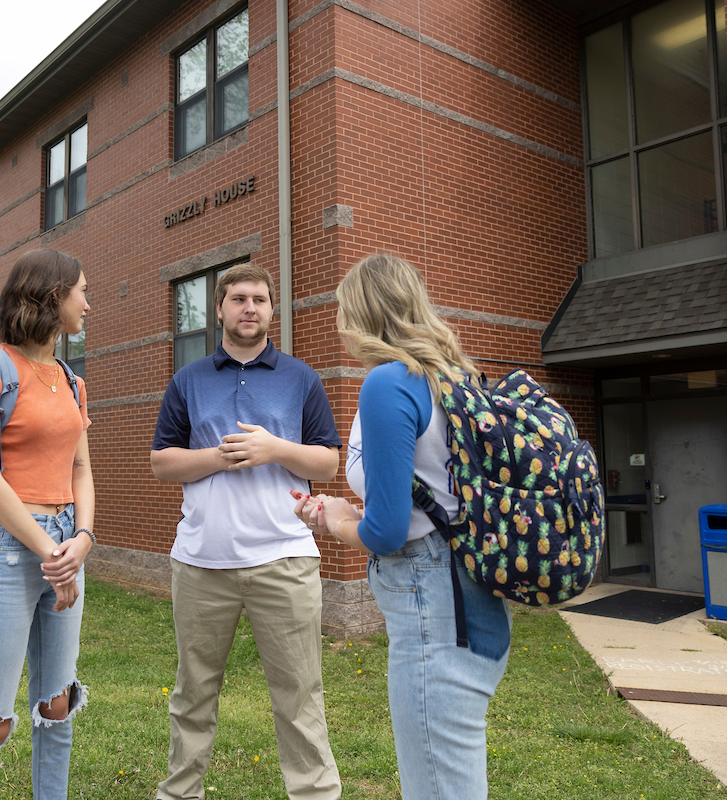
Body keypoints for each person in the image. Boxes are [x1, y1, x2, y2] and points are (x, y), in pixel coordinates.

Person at [293, 253, 512, 800]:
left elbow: (389, 533)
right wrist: (353, 513)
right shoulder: (457, 377)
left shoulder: (389, 382)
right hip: (474, 597)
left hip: (430, 604)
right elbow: (434, 494)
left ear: (362, 315)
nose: (340, 325)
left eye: (344, 311)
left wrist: (337, 520)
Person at [150, 263, 343, 800]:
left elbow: (328, 463)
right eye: (238, 299)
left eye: (260, 299)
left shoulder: (300, 378)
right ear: (219, 309)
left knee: (300, 695)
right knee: (193, 694)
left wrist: (273, 450)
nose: (250, 308)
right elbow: (162, 463)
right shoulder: (188, 380)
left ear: (272, 309)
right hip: (201, 563)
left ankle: (316, 795)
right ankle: (180, 794)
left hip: (285, 559)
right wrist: (216, 457)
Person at [0, 248, 94, 800]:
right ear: (54, 296)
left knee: (57, 706)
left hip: (64, 544)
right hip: (7, 552)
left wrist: (81, 539)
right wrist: (51, 554)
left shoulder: (72, 382)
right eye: (82, 290)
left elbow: (80, 468)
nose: (87, 301)